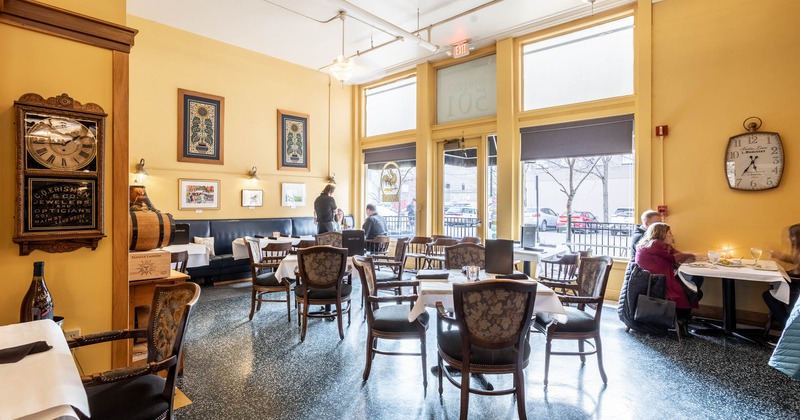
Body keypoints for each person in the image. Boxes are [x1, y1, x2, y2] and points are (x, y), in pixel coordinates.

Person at [635, 222, 699, 333]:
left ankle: (680, 320)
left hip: (650, 283)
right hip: (659, 284)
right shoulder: (656, 244)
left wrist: (689, 255)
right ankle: (680, 321)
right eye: (669, 233)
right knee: (692, 291)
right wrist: (694, 255)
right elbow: (677, 257)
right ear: (661, 233)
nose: (672, 235)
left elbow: (678, 255)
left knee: (693, 287)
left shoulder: (653, 244)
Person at [763, 223, 800, 334]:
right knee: (771, 292)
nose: (789, 238)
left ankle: (788, 328)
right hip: (794, 283)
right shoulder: (797, 249)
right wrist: (780, 256)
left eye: (791, 235)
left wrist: (794, 272)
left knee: (768, 296)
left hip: (796, 286)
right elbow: (796, 260)